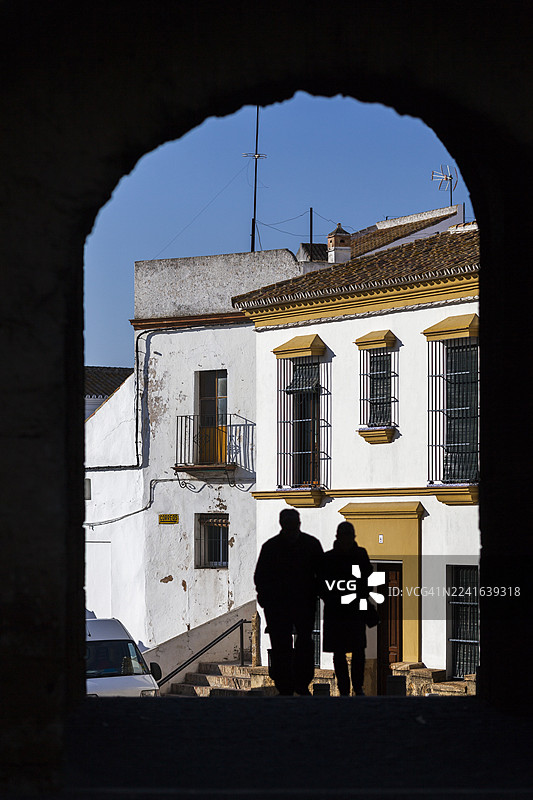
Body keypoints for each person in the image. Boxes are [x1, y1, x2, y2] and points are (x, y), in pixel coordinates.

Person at [254, 508, 324, 695]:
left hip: (299, 603)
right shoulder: (306, 545)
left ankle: (297, 683)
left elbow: (323, 574)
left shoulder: (276, 546)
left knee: (299, 643)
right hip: (281, 606)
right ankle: (288, 684)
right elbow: (261, 578)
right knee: (284, 643)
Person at [322, 521, 373, 696]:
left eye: (348, 537)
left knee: (358, 651)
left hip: (352, 610)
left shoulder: (358, 555)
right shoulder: (329, 558)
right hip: (337, 612)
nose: (346, 540)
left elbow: (367, 581)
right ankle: (345, 689)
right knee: (340, 653)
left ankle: (357, 687)